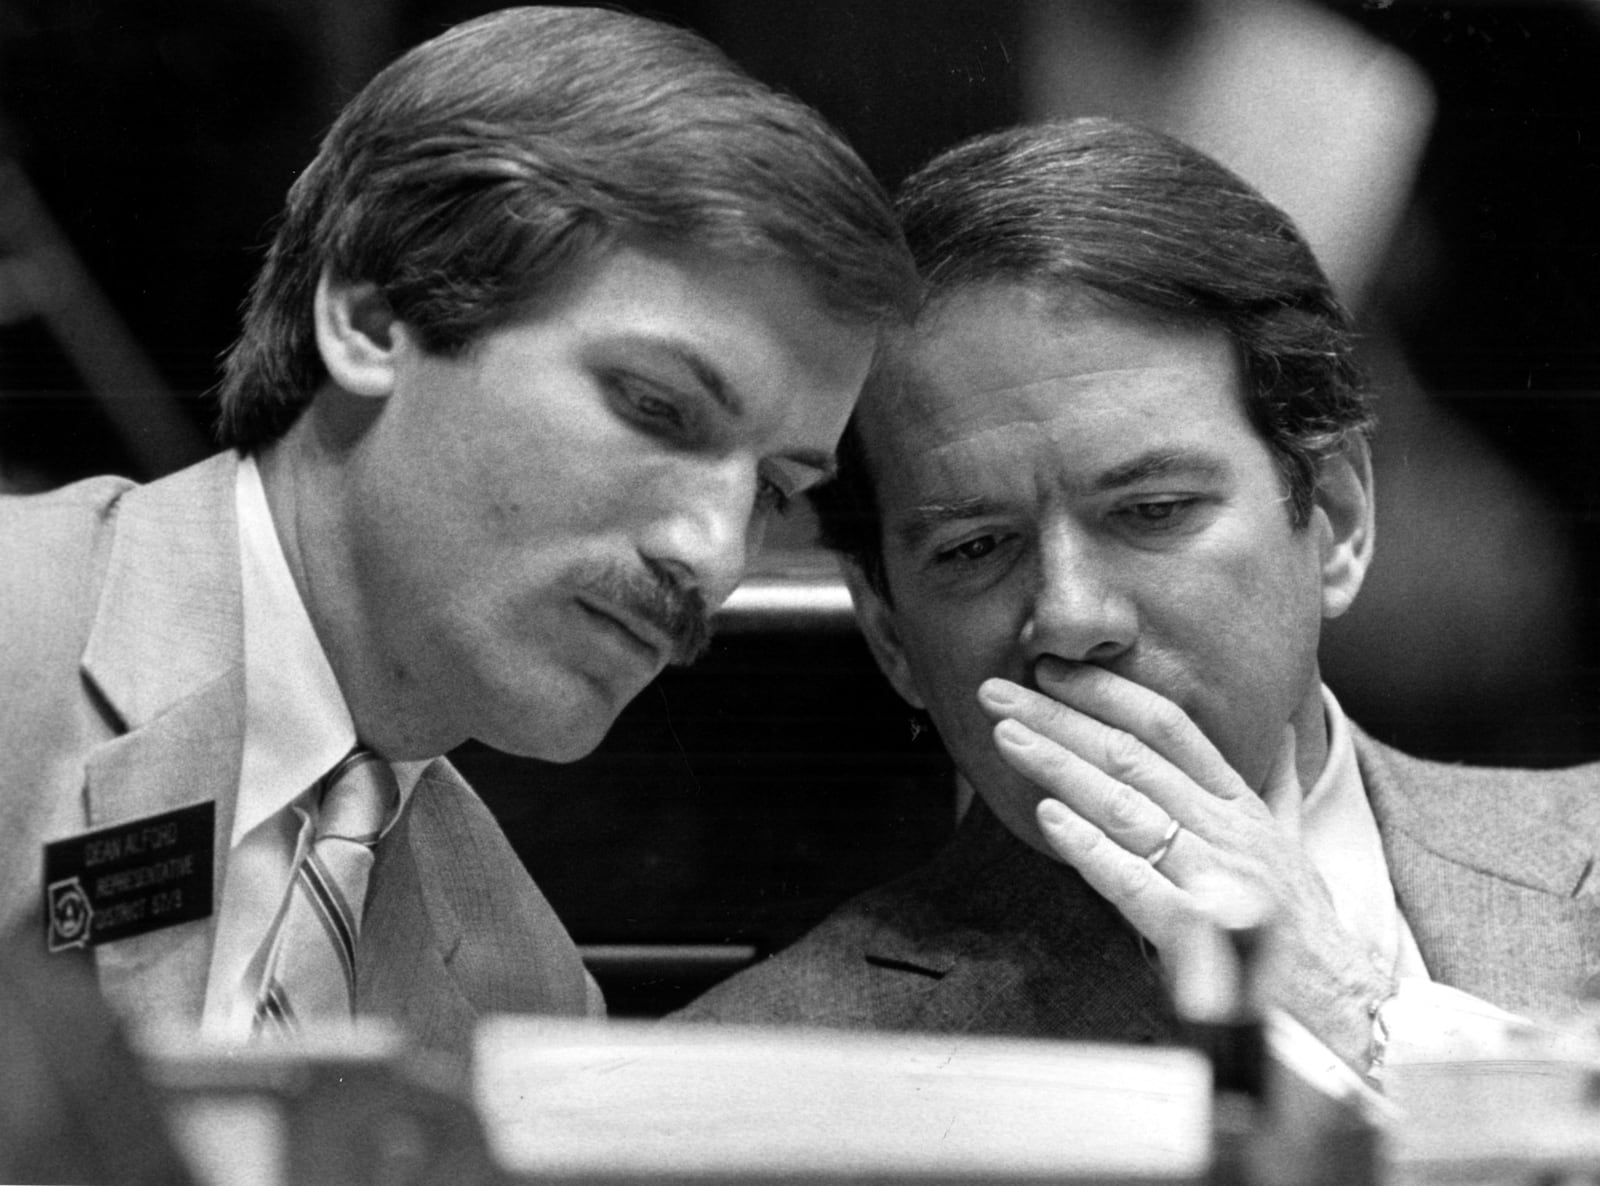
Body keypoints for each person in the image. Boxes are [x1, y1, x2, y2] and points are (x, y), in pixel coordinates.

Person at [0, 5, 915, 1067]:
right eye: (656, 408)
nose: (710, 555)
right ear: (371, 320)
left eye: (772, 490)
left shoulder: (519, 989)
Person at [677, 118, 1600, 1080]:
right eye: (977, 547)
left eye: (1153, 511)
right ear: (890, 636)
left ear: (1335, 518)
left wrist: (1357, 1018)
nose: (1071, 614)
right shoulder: (755, 1072)